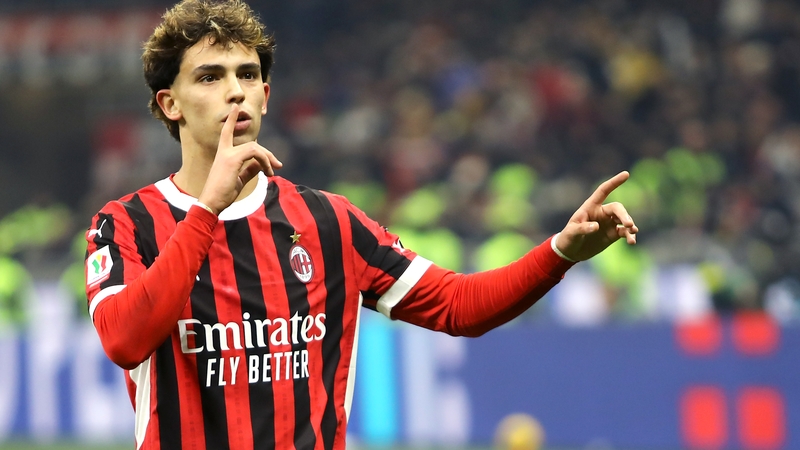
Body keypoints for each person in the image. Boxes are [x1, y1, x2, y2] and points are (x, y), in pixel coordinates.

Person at [84, 1, 638, 448]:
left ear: (266, 95)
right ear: (170, 103)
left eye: (247, 75)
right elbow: (126, 340)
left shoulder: (329, 222)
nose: (235, 91)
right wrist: (206, 210)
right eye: (209, 76)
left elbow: (459, 307)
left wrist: (559, 252)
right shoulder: (125, 226)